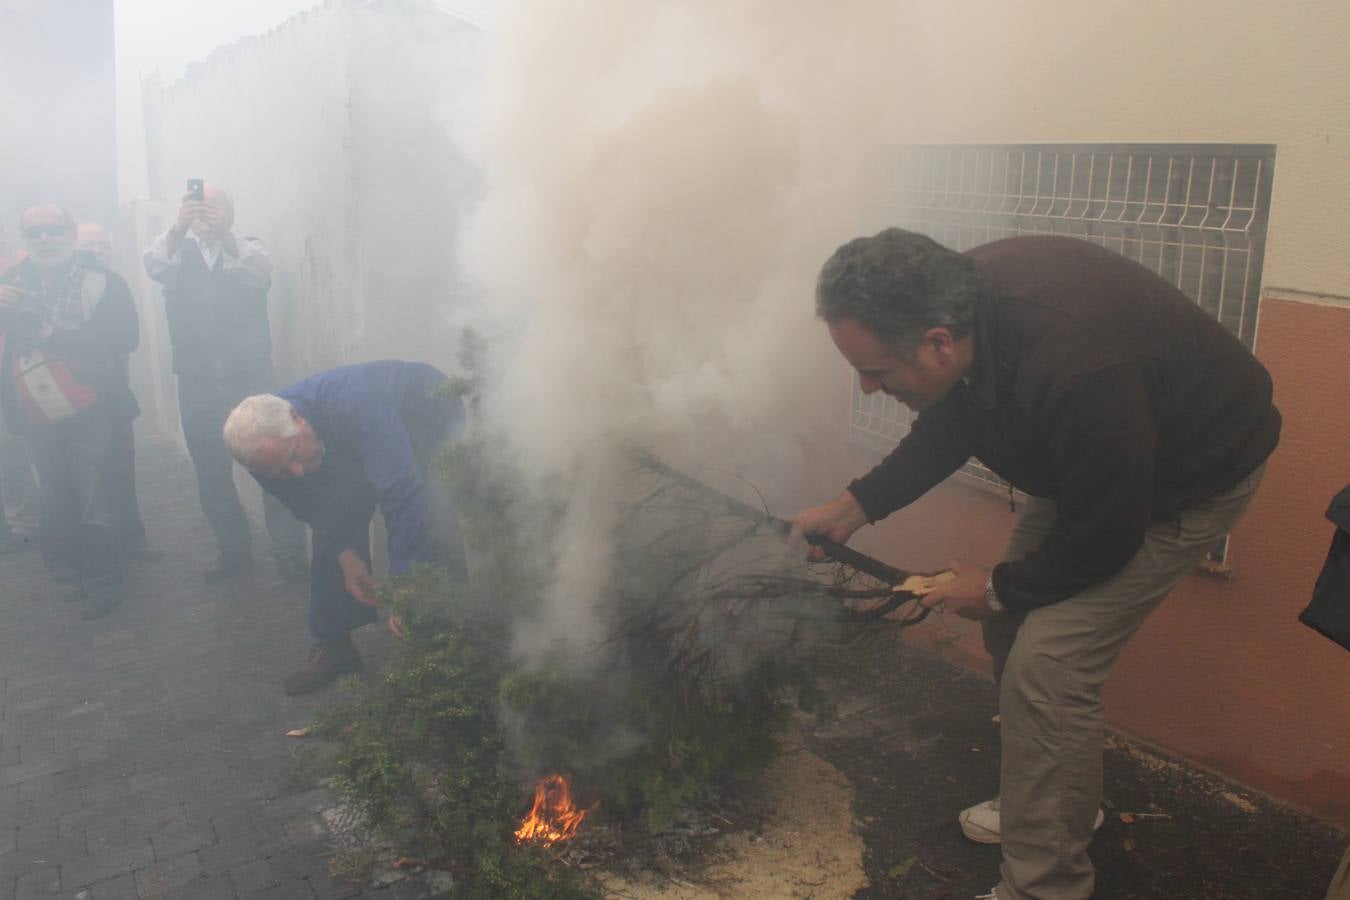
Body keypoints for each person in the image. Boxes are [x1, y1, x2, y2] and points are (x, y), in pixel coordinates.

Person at [792, 229, 1281, 900]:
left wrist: (994, 584)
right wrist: (854, 507)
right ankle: (1052, 809)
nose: (867, 389)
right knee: (1014, 630)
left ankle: (1043, 885)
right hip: (1091, 467)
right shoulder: (961, 313)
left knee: (1049, 666)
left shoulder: (1081, 367)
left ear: (937, 342)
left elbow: (1106, 536)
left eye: (876, 372)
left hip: (1183, 482)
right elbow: (949, 419)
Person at [222, 360, 468, 695]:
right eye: (281, 470)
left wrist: (406, 583)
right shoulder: (263, 454)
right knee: (334, 526)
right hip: (350, 435)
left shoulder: (354, 401)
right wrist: (345, 555)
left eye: (294, 455)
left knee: (432, 510)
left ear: (297, 418)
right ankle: (336, 646)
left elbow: (403, 489)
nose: (295, 472)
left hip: (426, 408)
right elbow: (313, 508)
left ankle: (450, 640)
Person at [143, 184, 307, 583]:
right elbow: (154, 264)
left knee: (274, 462)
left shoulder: (247, 248)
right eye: (198, 205)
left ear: (231, 213)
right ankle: (233, 551)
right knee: (211, 470)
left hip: (248, 376)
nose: (205, 211)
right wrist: (180, 227)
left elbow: (256, 270)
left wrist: (227, 235)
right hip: (198, 379)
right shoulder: (174, 253)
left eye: (215, 205)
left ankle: (288, 553)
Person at [0, 202, 140, 619]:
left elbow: (124, 339)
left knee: (97, 497)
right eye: (35, 232)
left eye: (53, 231)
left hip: (92, 406)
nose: (44, 239)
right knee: (58, 496)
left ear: (71, 234)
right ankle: (79, 572)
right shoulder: (9, 284)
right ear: (26, 239)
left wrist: (53, 336)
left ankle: (103, 580)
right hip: (36, 409)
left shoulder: (103, 282)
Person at [77, 222, 157, 561]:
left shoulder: (115, 284)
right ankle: (96, 558)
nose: (98, 251)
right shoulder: (69, 286)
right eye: (90, 245)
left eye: (103, 244)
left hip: (113, 393)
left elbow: (128, 338)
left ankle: (131, 543)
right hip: (77, 398)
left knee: (122, 468)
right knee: (88, 481)